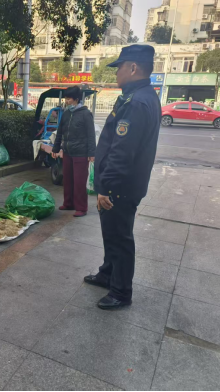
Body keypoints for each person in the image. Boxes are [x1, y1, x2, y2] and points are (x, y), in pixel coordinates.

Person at [85, 45, 161, 310]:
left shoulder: (137, 102)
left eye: (119, 67)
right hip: (123, 184)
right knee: (112, 233)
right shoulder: (138, 96)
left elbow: (122, 151)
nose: (116, 73)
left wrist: (106, 187)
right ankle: (107, 274)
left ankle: (120, 291)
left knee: (120, 238)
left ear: (133, 67)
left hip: (120, 186)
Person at [52, 86, 96, 217]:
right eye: (66, 98)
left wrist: (91, 153)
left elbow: (91, 134)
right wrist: (55, 148)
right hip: (67, 151)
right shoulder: (66, 114)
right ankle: (68, 203)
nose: (66, 101)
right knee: (68, 179)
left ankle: (81, 208)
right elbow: (60, 132)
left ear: (76, 99)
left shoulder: (85, 114)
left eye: (69, 99)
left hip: (81, 152)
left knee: (79, 181)